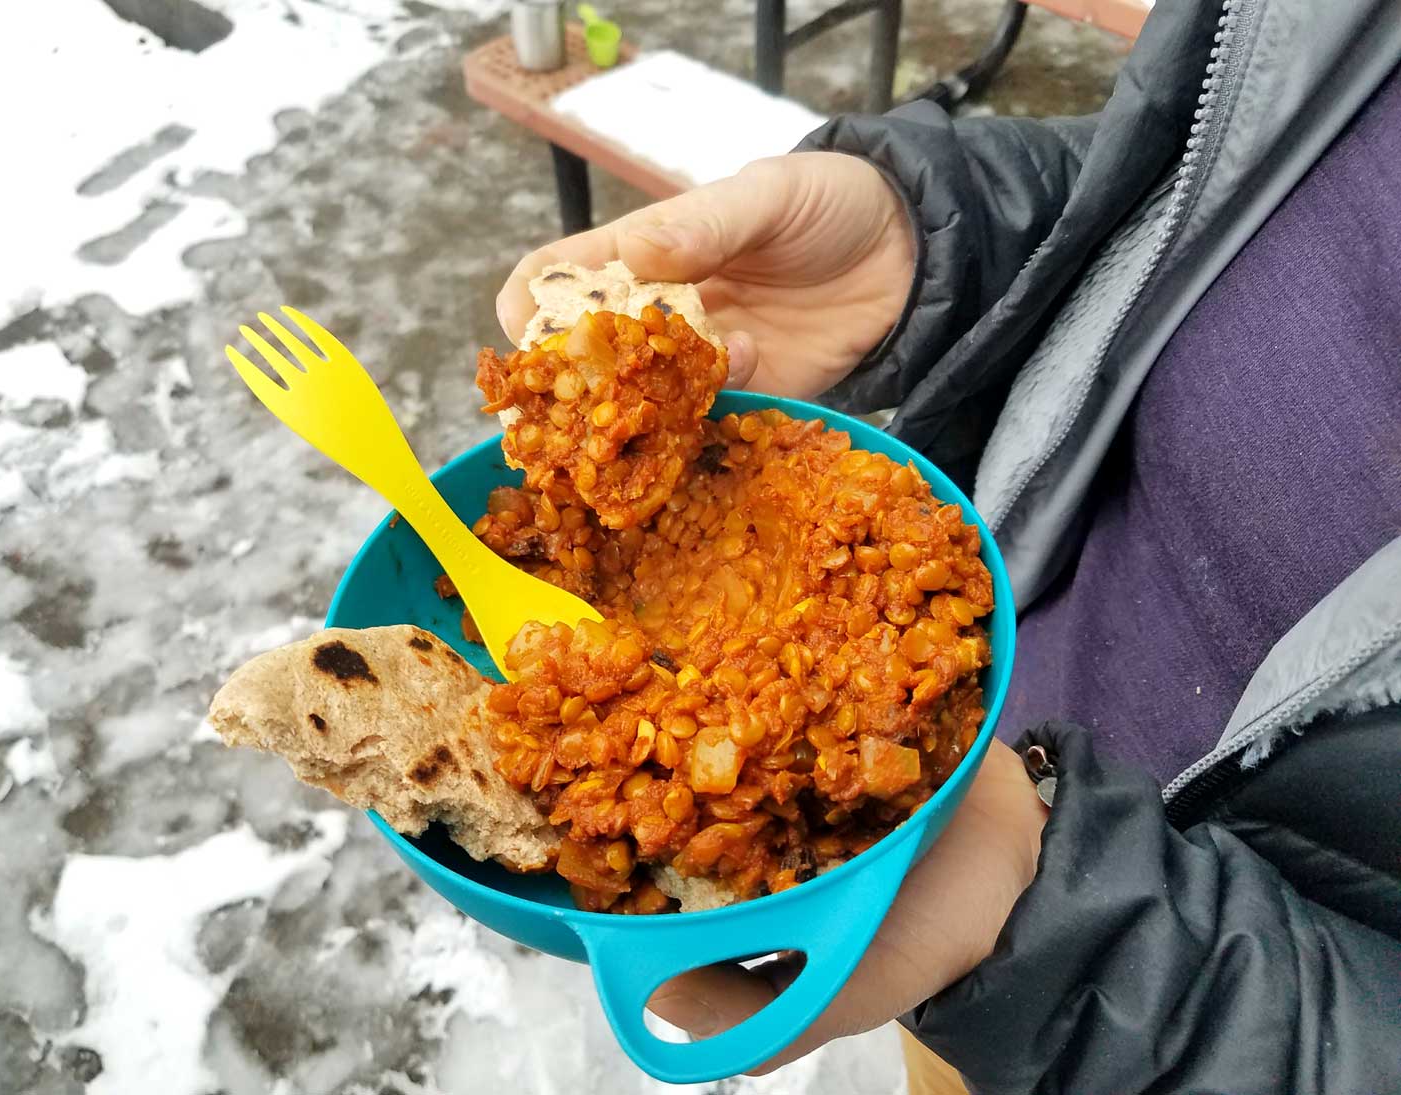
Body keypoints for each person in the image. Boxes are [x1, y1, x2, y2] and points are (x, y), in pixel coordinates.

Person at [496, 1, 1401, 1091]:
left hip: (1121, 981)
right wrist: (936, 242)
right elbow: (1218, 182)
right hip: (982, 741)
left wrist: (1081, 942)